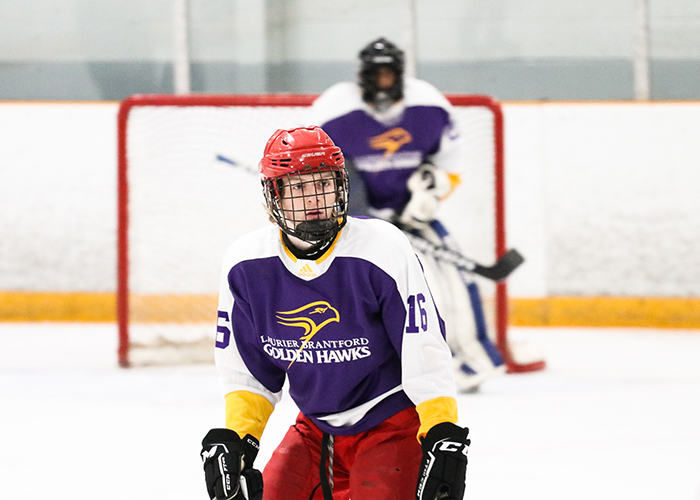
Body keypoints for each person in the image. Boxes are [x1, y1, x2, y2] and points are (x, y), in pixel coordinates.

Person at [200, 126, 470, 500]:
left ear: (341, 187)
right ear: (273, 196)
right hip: (314, 430)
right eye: (298, 188)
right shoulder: (247, 265)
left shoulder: (381, 249)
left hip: (390, 426)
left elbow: (423, 347)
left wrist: (441, 429)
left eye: (323, 185)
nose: (313, 198)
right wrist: (241, 439)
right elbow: (249, 372)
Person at [308, 37, 505, 392]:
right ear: (361, 76)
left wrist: (430, 194)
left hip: (415, 216)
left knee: (452, 280)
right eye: (375, 74)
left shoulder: (428, 105)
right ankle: (361, 371)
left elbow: (448, 166)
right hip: (355, 224)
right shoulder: (333, 110)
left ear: (399, 74)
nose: (382, 82)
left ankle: (469, 362)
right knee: (348, 294)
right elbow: (317, 167)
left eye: (388, 74)